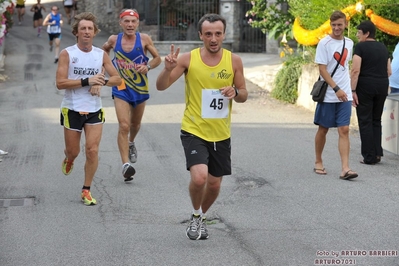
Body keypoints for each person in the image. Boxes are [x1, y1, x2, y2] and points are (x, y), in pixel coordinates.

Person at [156, 13, 248, 240]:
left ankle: (201, 216)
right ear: (201, 35)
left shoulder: (234, 61)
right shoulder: (188, 59)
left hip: (221, 133)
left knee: (215, 185)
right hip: (193, 128)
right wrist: (167, 69)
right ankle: (196, 215)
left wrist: (235, 92)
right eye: (208, 34)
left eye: (218, 33)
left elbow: (244, 94)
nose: (213, 38)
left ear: (224, 34)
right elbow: (161, 87)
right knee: (199, 178)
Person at [56, 12, 122, 206]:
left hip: (94, 109)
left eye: (90, 29)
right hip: (72, 109)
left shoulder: (100, 55)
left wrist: (102, 82)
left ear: (94, 32)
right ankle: (69, 158)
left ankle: (86, 189)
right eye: (83, 28)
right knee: (73, 151)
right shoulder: (67, 53)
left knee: (92, 150)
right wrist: (87, 81)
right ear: (76, 32)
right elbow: (60, 83)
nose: (86, 32)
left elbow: (118, 79)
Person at [102, 9, 161, 182]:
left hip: (140, 88)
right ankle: (126, 165)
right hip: (120, 87)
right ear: (121, 23)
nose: (130, 25)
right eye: (126, 21)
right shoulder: (114, 40)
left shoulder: (144, 39)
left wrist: (148, 67)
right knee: (124, 125)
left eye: (133, 22)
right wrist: (106, 68)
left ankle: (131, 142)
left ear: (137, 23)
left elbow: (157, 58)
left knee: (135, 124)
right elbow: (102, 52)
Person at [313, 11, 358, 180]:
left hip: (344, 94)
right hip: (329, 94)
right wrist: (336, 88)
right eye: (334, 25)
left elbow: (346, 66)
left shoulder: (349, 43)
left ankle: (345, 168)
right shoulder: (324, 43)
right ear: (330, 25)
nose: (337, 28)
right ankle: (318, 161)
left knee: (344, 129)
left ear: (345, 24)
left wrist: (348, 90)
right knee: (323, 129)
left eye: (340, 25)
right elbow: (322, 69)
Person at [351, 20, 391, 165]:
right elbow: (389, 71)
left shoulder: (360, 47)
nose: (357, 35)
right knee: (376, 119)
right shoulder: (383, 47)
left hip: (365, 86)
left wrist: (353, 90)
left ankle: (369, 156)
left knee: (365, 120)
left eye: (359, 32)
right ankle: (377, 153)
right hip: (382, 85)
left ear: (367, 33)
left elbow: (355, 70)